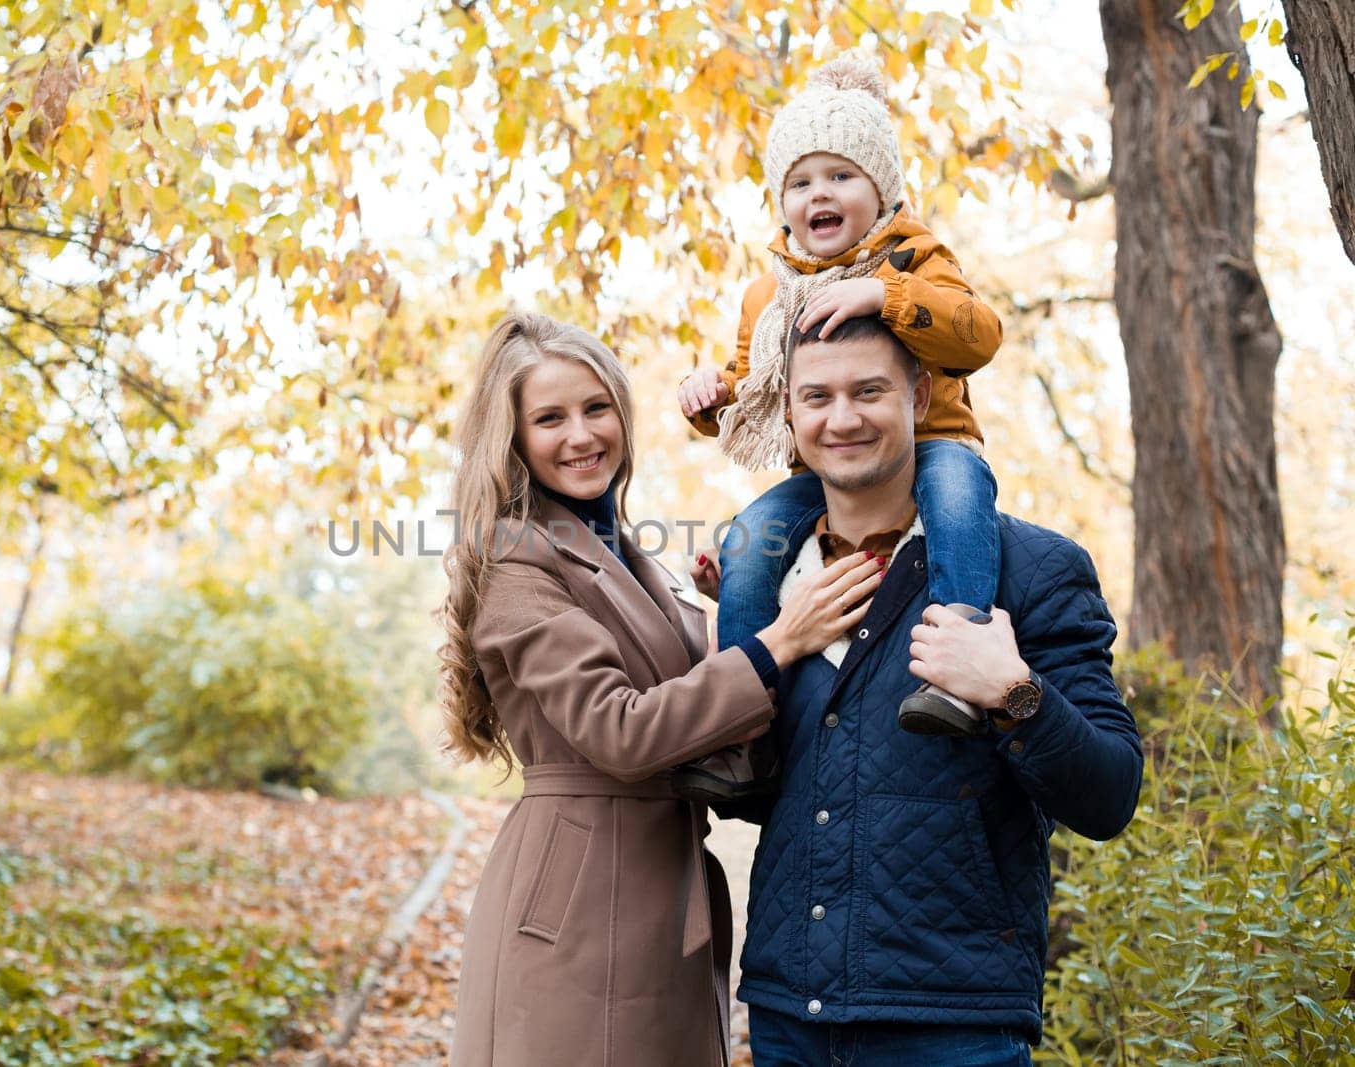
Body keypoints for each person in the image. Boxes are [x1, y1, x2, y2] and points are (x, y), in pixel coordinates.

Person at [440, 311, 884, 1067]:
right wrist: (784, 637)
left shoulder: (623, 547)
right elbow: (622, 730)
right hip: (580, 891)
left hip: (659, 876)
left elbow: (684, 697)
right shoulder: (517, 561)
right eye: (549, 418)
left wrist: (723, 612)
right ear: (511, 437)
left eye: (596, 407)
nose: (581, 435)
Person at [706, 313, 1142, 1066]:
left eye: (868, 390)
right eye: (818, 397)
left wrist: (1013, 689)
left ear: (919, 395)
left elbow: (1110, 794)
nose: (842, 418)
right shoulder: (766, 577)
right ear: (790, 412)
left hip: (955, 1027)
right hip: (786, 1017)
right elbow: (746, 794)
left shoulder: (1032, 568)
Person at [674, 55, 1005, 802]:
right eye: (800, 181)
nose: (819, 192)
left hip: (935, 443)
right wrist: (707, 398)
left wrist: (884, 293)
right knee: (748, 539)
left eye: (841, 176)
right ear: (781, 202)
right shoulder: (769, 292)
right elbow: (751, 387)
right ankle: (745, 728)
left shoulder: (914, 256)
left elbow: (978, 335)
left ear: (881, 188)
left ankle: (954, 667)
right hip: (819, 473)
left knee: (959, 501)